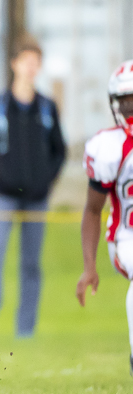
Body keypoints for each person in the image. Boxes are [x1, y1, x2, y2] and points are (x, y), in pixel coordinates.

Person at [0, 37, 67, 338]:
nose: (31, 67)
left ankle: (26, 330)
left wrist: (47, 179)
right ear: (14, 63)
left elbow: (60, 150)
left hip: (37, 199)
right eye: (26, 61)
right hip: (2, 197)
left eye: (36, 62)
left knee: (31, 264)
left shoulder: (46, 107)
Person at [77, 59, 133, 376]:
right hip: (126, 236)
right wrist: (89, 267)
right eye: (123, 101)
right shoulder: (108, 147)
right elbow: (93, 210)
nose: (128, 108)